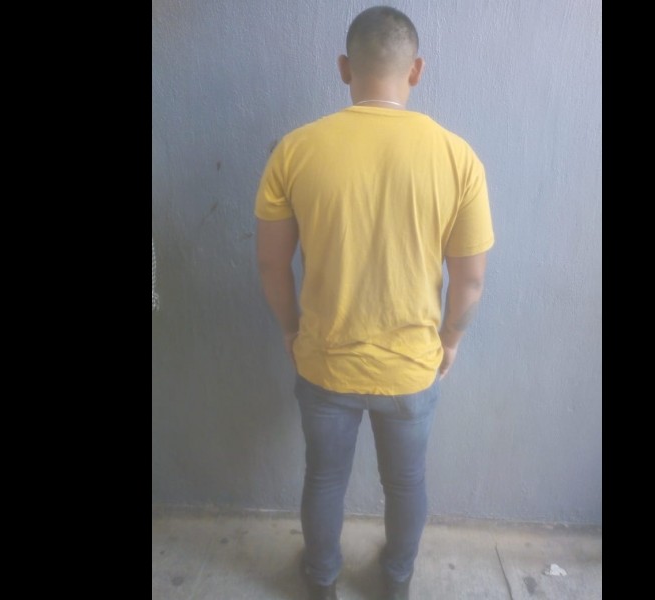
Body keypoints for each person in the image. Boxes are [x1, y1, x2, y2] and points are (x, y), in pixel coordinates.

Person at [254, 6, 493, 599]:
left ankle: (321, 581)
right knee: (406, 484)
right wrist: (451, 342)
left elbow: (271, 263)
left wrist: (290, 330)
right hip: (412, 365)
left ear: (344, 68)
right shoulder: (457, 156)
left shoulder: (295, 150)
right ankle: (396, 581)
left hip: (324, 360)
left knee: (324, 479)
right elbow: (470, 281)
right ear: (416, 70)